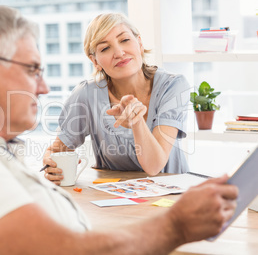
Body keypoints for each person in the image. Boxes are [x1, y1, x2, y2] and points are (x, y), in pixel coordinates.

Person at [0, 4, 238, 255]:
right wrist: (175, 225)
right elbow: (66, 250)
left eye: (124, 41)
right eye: (33, 69)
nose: (43, 88)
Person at [43, 12, 189, 185]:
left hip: (171, 195)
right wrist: (50, 164)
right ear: (95, 61)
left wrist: (137, 122)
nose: (119, 53)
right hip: (114, 200)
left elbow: (154, 166)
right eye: (105, 48)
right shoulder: (87, 94)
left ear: (139, 43)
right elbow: (57, 150)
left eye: (125, 40)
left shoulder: (172, 86)